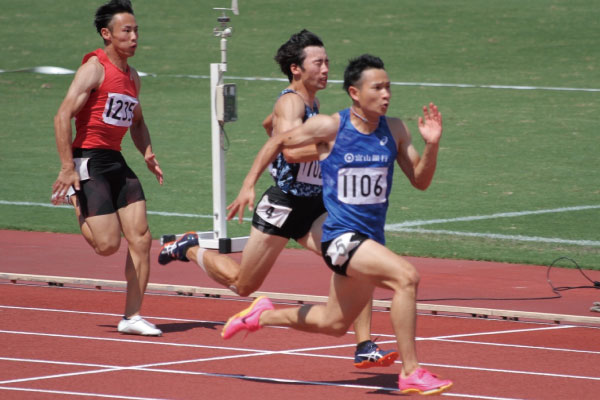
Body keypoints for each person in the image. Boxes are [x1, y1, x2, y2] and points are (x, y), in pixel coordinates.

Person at [158, 30, 397, 368]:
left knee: (354, 260)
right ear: (296, 69)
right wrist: (333, 150)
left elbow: (271, 126)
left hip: (315, 205)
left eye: (328, 62)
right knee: (244, 285)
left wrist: (280, 132)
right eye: (319, 63)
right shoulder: (291, 102)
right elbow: (290, 149)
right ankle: (193, 246)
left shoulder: (312, 103)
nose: (327, 69)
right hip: (283, 205)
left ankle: (364, 344)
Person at [221, 54, 453, 395]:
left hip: (370, 239)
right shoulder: (331, 126)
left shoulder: (396, 130)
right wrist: (248, 184)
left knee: (333, 323)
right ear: (354, 93)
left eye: (389, 87)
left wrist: (432, 144)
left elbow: (420, 180)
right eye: (378, 88)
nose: (386, 94)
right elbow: (276, 140)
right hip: (340, 238)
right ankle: (411, 371)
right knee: (407, 278)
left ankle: (260, 315)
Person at [51, 0, 163, 336]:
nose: (134, 37)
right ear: (107, 34)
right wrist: (67, 168)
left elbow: (138, 121)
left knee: (141, 238)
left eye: (136, 30)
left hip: (115, 161)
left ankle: (132, 316)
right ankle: (76, 198)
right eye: (126, 31)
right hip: (87, 160)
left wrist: (147, 152)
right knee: (107, 246)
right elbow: (61, 116)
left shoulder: (133, 77)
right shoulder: (94, 69)